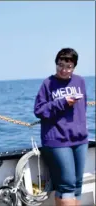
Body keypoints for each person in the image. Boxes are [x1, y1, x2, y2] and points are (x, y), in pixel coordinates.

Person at [34, 48, 88, 206]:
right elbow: (39, 110)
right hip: (57, 140)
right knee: (67, 186)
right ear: (56, 64)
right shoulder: (48, 84)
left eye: (68, 66)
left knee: (77, 186)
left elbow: (82, 109)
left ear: (74, 67)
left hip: (80, 140)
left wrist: (81, 129)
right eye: (60, 65)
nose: (64, 70)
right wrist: (62, 103)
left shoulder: (80, 81)